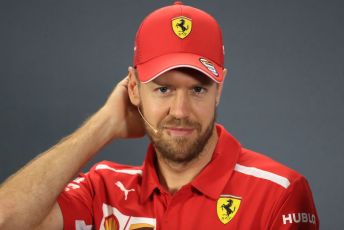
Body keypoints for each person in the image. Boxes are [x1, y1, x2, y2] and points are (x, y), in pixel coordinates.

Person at [0, 2, 319, 229]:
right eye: (163, 89)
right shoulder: (104, 192)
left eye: (197, 90)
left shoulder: (278, 193)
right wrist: (104, 125)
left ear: (219, 90)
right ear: (134, 89)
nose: (180, 112)